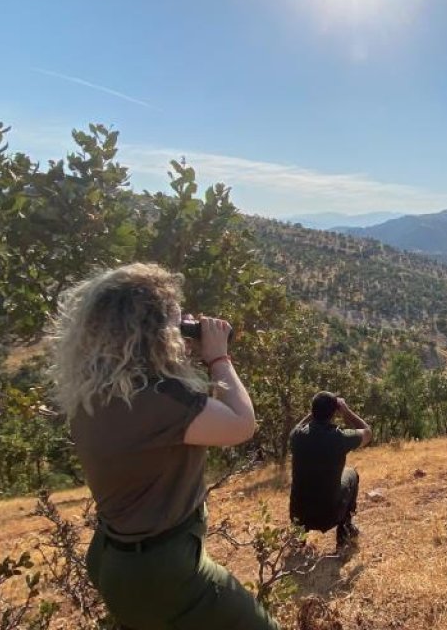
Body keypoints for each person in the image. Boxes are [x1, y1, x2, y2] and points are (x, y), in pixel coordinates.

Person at [49, 263, 279, 630]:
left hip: (113, 557)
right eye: (178, 319)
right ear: (156, 334)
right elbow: (241, 423)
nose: (187, 320)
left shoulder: (94, 393)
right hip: (160, 569)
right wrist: (218, 357)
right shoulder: (161, 399)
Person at [288, 391, 372, 551]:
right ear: (334, 413)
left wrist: (313, 413)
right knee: (351, 474)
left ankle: (299, 538)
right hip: (328, 516)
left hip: (300, 517)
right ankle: (344, 532)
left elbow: (297, 427)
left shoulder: (296, 437)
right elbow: (367, 432)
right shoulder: (339, 438)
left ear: (313, 411)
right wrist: (346, 411)